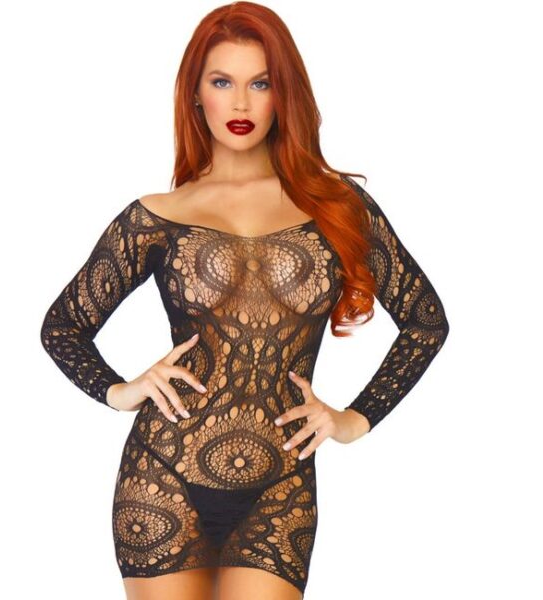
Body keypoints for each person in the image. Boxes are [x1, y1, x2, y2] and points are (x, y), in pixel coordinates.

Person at [40, 2, 450, 599]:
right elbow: (62, 326)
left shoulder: (337, 206)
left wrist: (353, 420)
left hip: (282, 485)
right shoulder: (156, 217)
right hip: (162, 473)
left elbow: (425, 322)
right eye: (221, 82)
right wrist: (121, 390)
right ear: (195, 93)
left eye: (260, 83)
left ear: (284, 94)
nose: (240, 104)